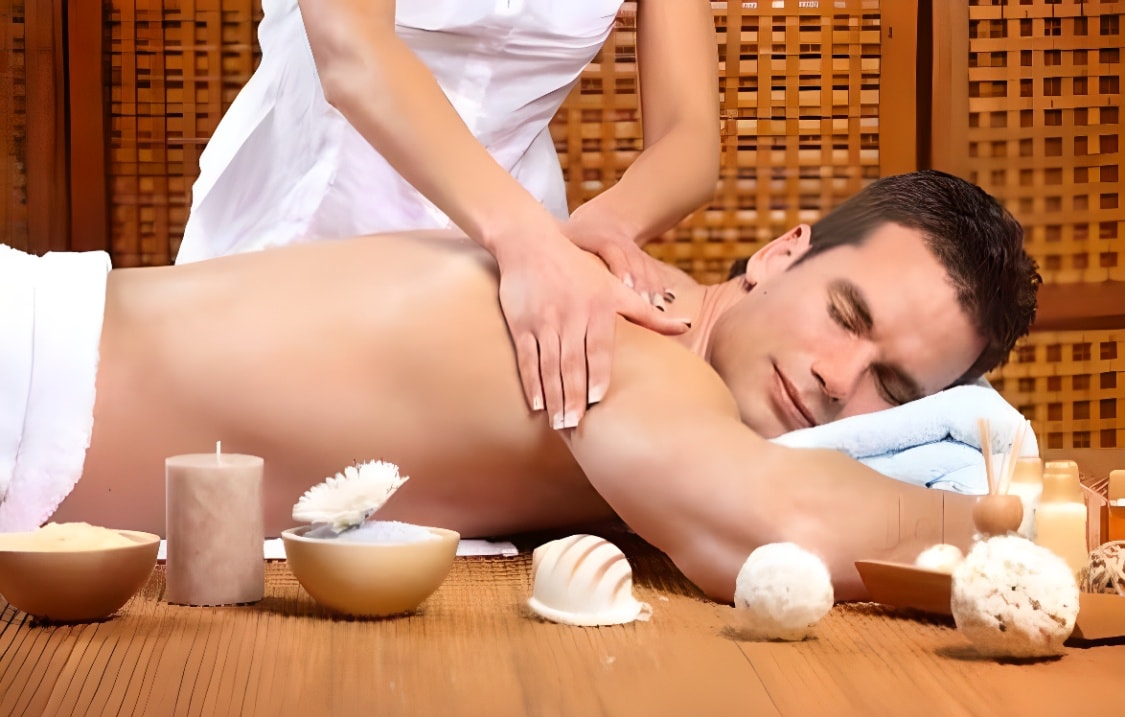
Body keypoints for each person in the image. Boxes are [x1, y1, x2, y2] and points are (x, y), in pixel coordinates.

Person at [5, 172, 1039, 602]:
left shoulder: (672, 378)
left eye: (890, 386)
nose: (836, 380)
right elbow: (779, 531)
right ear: (779, 256)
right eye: (846, 316)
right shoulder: (624, 334)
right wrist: (1040, 525)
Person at [176, 0, 721, 432]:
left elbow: (689, 133)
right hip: (305, 233)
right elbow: (349, 51)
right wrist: (525, 238)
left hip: (507, 277)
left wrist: (607, 224)